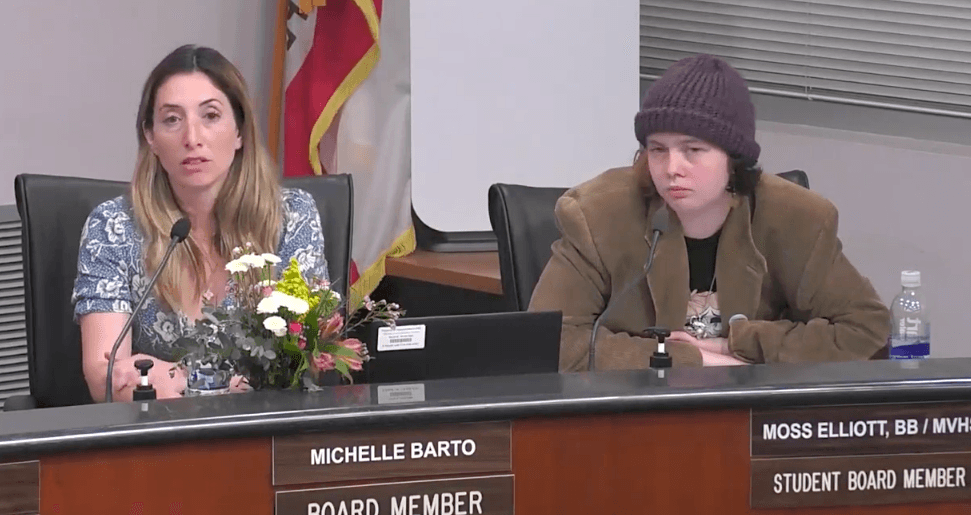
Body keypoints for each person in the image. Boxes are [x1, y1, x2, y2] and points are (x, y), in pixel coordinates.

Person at [529, 54, 891, 371]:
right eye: (657, 149)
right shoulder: (597, 215)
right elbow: (550, 344)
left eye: (693, 150)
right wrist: (694, 361)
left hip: (753, 421)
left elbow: (867, 328)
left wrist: (737, 343)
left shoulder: (797, 219)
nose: (672, 168)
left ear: (733, 160)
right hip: (634, 419)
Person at [72, 45, 329, 401]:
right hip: (155, 444)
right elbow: (105, 376)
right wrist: (236, 387)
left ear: (239, 131)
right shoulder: (113, 227)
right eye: (172, 120)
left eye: (210, 116)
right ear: (151, 137)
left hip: (263, 440)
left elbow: (303, 366)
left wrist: (172, 378)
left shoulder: (292, 218)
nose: (192, 138)